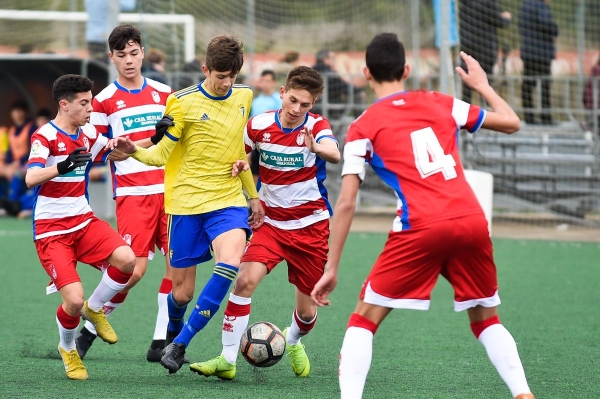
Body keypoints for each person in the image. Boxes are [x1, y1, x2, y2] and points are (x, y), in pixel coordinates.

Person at [311, 33, 535, 399]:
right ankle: (524, 394)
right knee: (486, 318)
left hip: (421, 226)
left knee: (363, 318)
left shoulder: (362, 126)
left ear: (366, 73)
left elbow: (348, 202)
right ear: (408, 69)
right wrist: (482, 85)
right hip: (471, 219)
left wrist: (332, 267)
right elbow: (511, 121)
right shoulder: (442, 102)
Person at [106, 34, 264, 374]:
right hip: (186, 205)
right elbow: (161, 154)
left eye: (232, 76)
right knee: (181, 293)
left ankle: (180, 344)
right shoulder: (181, 102)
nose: (226, 83)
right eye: (220, 76)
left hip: (227, 200)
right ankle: (172, 333)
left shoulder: (245, 96)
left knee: (230, 262)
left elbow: (240, 150)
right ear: (205, 69)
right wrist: (135, 150)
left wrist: (252, 195)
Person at [189, 66, 340, 380]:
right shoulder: (257, 125)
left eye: (306, 105)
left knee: (307, 311)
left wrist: (316, 148)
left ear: (314, 105)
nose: (297, 109)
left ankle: (294, 340)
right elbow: (239, 155)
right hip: (269, 223)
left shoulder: (317, 127)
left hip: (310, 227)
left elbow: (334, 153)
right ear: (282, 93)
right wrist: (242, 163)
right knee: (243, 281)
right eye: (293, 100)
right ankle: (227, 360)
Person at [74, 24, 176, 364]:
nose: (129, 61)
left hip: (173, 193)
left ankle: (160, 343)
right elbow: (106, 153)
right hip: (134, 194)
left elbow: (179, 142)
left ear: (143, 53)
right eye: (121, 55)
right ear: (112, 58)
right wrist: (151, 141)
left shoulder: (165, 94)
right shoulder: (102, 101)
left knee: (178, 269)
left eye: (134, 53)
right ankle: (89, 325)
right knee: (133, 271)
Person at [25, 74, 136, 380]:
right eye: (84, 103)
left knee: (128, 260)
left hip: (84, 221)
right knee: (73, 301)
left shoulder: (87, 133)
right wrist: (63, 165)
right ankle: (68, 348)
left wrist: (143, 143)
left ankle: (96, 308)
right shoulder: (44, 136)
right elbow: (30, 178)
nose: (91, 108)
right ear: (65, 104)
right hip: (51, 231)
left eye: (91, 101)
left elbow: (117, 152)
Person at [459, 0, 511, 103]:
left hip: (467, 47)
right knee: (486, 84)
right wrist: (506, 18)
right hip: (485, 49)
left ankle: (466, 114)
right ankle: (486, 114)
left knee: (467, 84)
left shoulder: (465, 3)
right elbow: (496, 20)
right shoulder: (487, 2)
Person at [518, 0, 558, 125]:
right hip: (542, 53)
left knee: (528, 85)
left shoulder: (524, 5)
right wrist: (555, 30)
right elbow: (546, 23)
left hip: (528, 52)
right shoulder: (541, 6)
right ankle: (546, 117)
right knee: (545, 85)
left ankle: (528, 116)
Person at [0, 100, 37, 215]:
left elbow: (33, 149)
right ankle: (3, 204)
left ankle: (12, 204)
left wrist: (17, 163)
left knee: (16, 174)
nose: (16, 114)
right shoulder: (11, 130)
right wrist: (8, 165)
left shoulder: (31, 127)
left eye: (19, 111)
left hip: (27, 162)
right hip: (14, 164)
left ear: (24, 112)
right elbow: (10, 152)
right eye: (14, 111)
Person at [247, 69, 283, 184]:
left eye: (268, 81)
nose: (265, 84)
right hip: (257, 142)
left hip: (274, 143)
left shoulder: (280, 100)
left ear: (273, 82)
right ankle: (255, 198)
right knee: (254, 171)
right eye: (263, 81)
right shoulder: (256, 101)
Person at [312, 49, 364, 119]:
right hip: (330, 110)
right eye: (332, 58)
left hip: (313, 109)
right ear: (325, 60)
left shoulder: (311, 72)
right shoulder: (330, 74)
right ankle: (361, 122)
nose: (334, 61)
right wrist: (359, 90)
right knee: (357, 95)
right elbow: (346, 88)